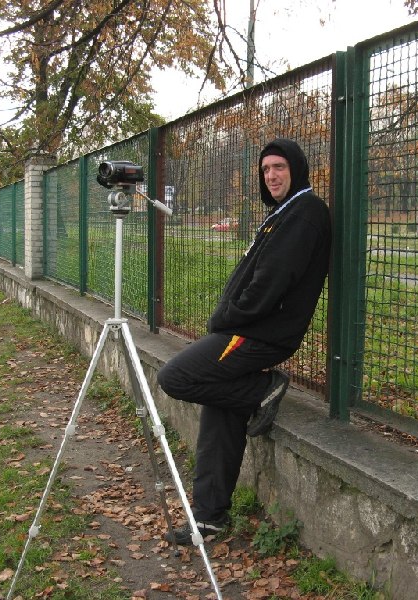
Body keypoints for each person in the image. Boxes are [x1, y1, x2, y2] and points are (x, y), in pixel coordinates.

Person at [157, 137, 331, 544]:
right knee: (220, 409)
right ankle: (210, 517)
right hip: (245, 330)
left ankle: (262, 390)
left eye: (279, 167)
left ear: (296, 169)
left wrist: (228, 317)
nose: (271, 175)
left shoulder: (305, 212)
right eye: (265, 169)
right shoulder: (282, 213)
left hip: (256, 334)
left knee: (174, 377)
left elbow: (272, 281)